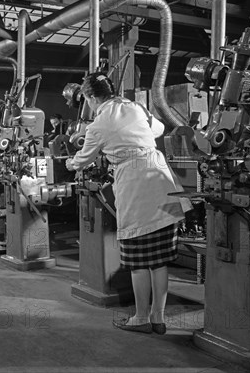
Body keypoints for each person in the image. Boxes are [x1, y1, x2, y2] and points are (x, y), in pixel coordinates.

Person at [65, 73, 186, 335]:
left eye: (88, 100)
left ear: (92, 97)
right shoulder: (134, 106)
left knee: (139, 260)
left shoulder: (99, 124)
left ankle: (141, 317)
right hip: (161, 177)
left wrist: (69, 162)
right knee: (159, 260)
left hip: (135, 185)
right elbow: (159, 130)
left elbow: (83, 159)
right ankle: (158, 318)